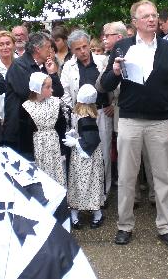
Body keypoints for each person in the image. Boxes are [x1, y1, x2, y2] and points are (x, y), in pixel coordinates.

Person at [100, 0, 168, 247]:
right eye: (146, 16)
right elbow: (105, 85)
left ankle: (166, 226)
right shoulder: (121, 47)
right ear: (135, 22)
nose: (152, 19)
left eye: (154, 15)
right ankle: (124, 225)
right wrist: (116, 72)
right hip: (129, 120)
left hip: (160, 122)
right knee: (127, 177)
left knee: (163, 177)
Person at [60, 30, 110, 195]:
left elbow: (115, 85)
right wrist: (74, 113)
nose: (82, 51)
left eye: (84, 46)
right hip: (80, 114)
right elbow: (65, 92)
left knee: (104, 153)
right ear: (72, 51)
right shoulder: (69, 66)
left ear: (89, 45)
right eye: (77, 49)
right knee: (83, 153)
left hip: (102, 111)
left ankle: (103, 193)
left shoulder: (102, 61)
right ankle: (86, 194)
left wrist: (114, 104)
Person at [3, 32, 63, 158]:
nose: (51, 50)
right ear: (37, 49)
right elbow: (29, 95)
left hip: (39, 132)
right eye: (48, 47)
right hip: (21, 132)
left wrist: (52, 74)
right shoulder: (19, 66)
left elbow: (58, 93)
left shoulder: (44, 66)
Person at [63, 84, 105, 229]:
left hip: (87, 156)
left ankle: (96, 213)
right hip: (84, 155)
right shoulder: (84, 116)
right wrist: (75, 134)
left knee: (86, 181)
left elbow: (92, 139)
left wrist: (76, 142)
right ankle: (77, 212)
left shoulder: (86, 118)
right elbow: (85, 134)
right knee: (81, 181)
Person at [23, 72, 67, 187]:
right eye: (48, 87)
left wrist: (62, 148)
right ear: (37, 88)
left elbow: (61, 126)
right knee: (42, 175)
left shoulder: (55, 103)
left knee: (57, 173)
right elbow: (25, 133)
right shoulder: (27, 107)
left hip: (54, 143)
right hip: (38, 146)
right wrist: (29, 155)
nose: (52, 90)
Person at [0, 31, 16, 121]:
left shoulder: (20, 64)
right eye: (1, 44)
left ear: (13, 45)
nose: (5, 47)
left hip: (17, 113)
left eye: (8, 43)